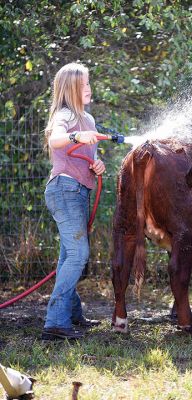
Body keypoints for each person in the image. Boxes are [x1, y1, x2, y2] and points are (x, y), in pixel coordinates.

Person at [42, 63, 105, 341]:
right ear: (70, 90)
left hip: (79, 190)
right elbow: (56, 139)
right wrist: (74, 135)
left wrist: (97, 165)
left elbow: (88, 157)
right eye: (83, 85)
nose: (88, 88)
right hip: (64, 188)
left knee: (69, 255)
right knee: (79, 255)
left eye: (89, 83)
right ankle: (55, 322)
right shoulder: (65, 115)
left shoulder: (89, 121)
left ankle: (72, 314)